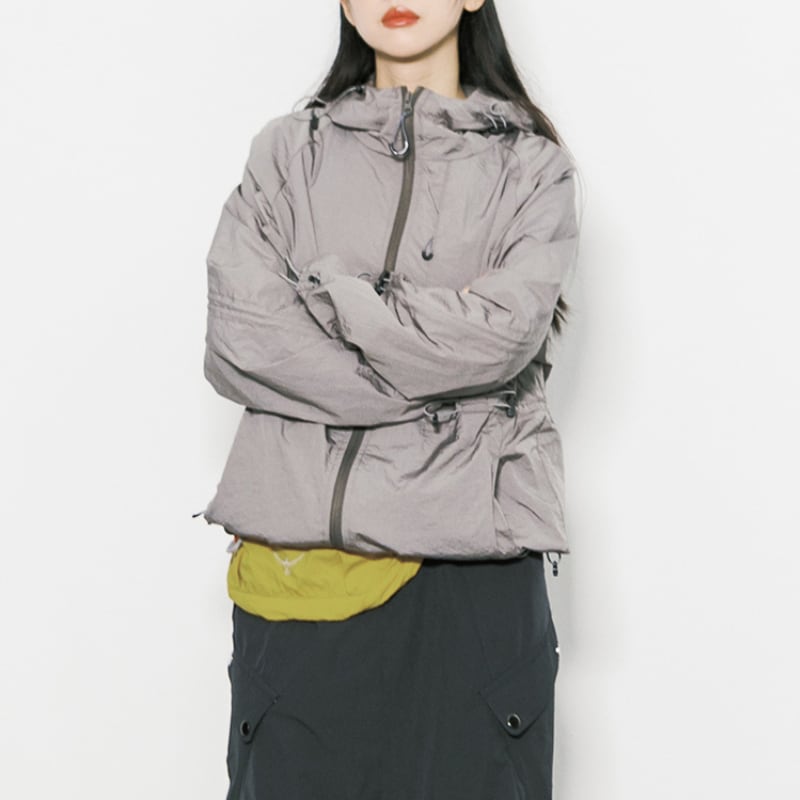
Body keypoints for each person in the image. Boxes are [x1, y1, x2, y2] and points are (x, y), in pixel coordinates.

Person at [198, 1, 582, 797]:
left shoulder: (533, 169)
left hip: (468, 588)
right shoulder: (286, 155)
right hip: (301, 583)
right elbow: (243, 337)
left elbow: (502, 337)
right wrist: (448, 388)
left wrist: (331, 298)